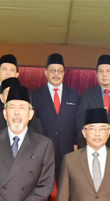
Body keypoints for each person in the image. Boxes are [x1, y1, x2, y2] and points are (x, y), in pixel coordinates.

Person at [32, 53, 80, 182]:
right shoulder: (36, 95)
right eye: (52, 70)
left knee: (67, 184)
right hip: (44, 147)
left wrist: (77, 143)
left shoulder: (74, 95)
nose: (56, 74)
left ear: (64, 73)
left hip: (68, 147)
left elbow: (78, 121)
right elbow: (33, 122)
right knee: (43, 183)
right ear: (45, 72)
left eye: (60, 71)